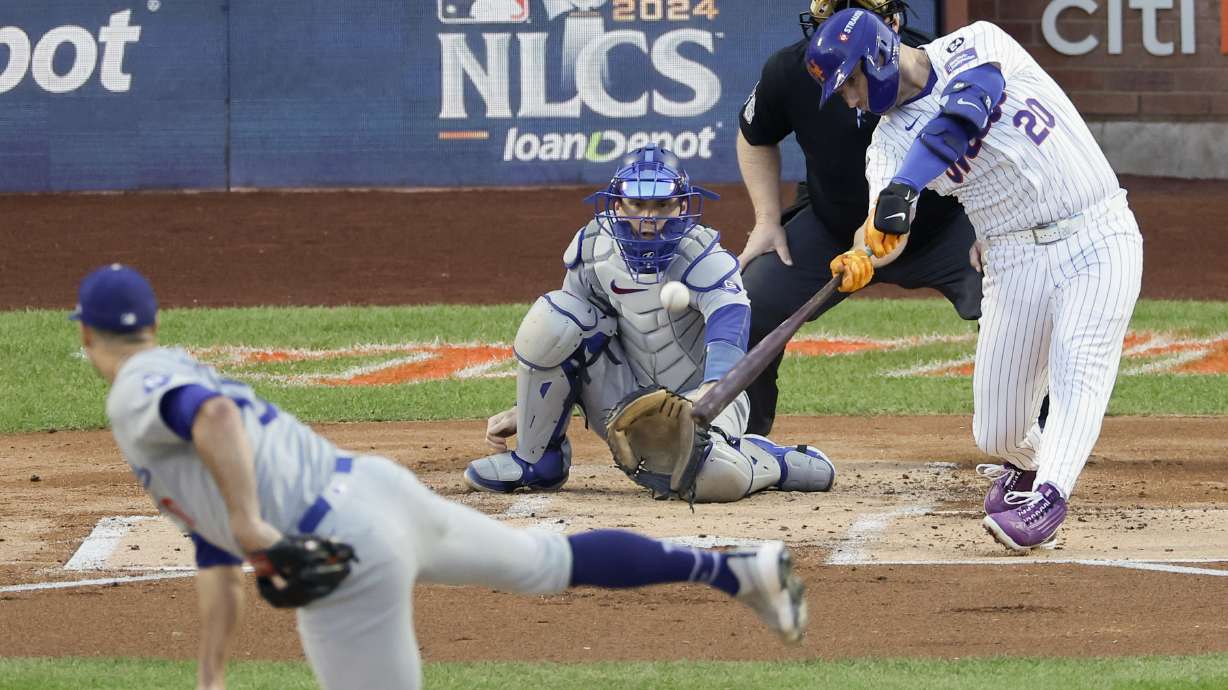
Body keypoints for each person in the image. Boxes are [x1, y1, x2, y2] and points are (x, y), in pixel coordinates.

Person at [71, 263, 808, 690]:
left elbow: (213, 422)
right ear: (153, 322)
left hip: (348, 550)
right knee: (547, 563)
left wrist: (248, 523)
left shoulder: (137, 386)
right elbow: (215, 552)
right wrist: (211, 674)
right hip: (377, 491)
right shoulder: (173, 373)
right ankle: (736, 571)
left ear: (83, 332)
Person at [806, 9, 1143, 551]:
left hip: (1097, 232)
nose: (850, 101)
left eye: (850, 84)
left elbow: (966, 108)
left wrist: (906, 186)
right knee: (996, 431)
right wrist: (863, 252)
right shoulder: (886, 146)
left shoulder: (976, 42)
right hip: (1012, 258)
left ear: (877, 57)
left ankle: (1050, 497)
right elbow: (886, 225)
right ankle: (1029, 465)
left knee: (1079, 363)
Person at [464, 145, 836, 502]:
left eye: (661, 205)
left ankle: (768, 460)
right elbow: (567, 335)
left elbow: (730, 320)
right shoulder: (593, 248)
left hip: (703, 400)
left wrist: (711, 390)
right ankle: (538, 460)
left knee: (715, 479)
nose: (648, 218)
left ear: (681, 205)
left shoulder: (702, 255)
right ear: (617, 203)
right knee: (554, 316)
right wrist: (533, 412)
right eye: (637, 204)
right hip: (627, 401)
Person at [736, 0, 984, 436]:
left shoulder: (936, 67)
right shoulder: (793, 69)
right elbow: (754, 134)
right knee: (750, 301)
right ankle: (742, 437)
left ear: (890, 29)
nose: (850, 94)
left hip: (945, 227)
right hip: (833, 228)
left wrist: (993, 228)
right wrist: (766, 220)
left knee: (1016, 291)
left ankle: (1038, 433)